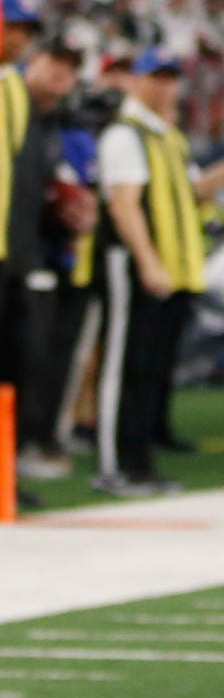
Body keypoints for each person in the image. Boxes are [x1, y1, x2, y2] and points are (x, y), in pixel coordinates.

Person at [93, 47, 224, 497]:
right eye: (156, 78)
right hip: (138, 266)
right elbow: (124, 206)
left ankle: (142, 460)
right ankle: (116, 464)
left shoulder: (168, 137)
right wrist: (148, 261)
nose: (165, 88)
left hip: (175, 269)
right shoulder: (125, 134)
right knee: (127, 366)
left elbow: (195, 191)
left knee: (153, 368)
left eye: (171, 79)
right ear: (138, 81)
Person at [2, 30, 91, 494]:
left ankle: (11, 467)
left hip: (31, 255)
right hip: (13, 252)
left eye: (70, 66)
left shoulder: (56, 123)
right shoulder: (10, 98)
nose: (61, 72)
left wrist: (69, 205)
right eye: (53, 61)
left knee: (25, 364)